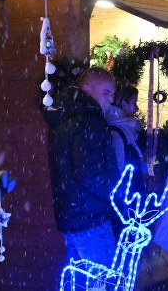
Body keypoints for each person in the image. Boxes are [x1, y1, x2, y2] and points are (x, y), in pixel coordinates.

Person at [47, 67, 121, 264]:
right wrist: (118, 195)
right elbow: (91, 174)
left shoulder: (65, 117)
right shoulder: (89, 122)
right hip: (92, 220)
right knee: (104, 283)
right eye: (106, 93)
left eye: (112, 94)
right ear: (87, 88)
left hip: (72, 219)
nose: (111, 99)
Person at [105, 84, 144, 175]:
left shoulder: (124, 128)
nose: (137, 108)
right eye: (134, 103)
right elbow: (118, 170)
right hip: (126, 187)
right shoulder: (117, 131)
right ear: (123, 103)